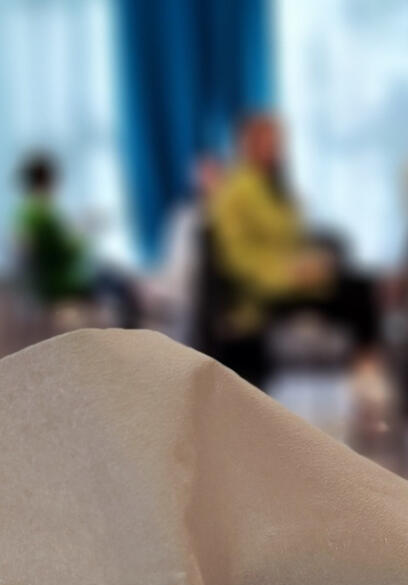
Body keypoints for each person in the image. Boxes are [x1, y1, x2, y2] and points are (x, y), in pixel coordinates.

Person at [208, 114, 378, 389]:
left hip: (291, 281)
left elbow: (290, 240)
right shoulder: (234, 192)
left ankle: (366, 372)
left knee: (361, 285)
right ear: (248, 144)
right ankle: (367, 377)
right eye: (269, 142)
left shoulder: (275, 188)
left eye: (278, 142)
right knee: (357, 292)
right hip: (260, 292)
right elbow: (235, 260)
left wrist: (310, 263)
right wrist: (290, 273)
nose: (277, 149)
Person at [15, 152, 140, 329]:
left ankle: (136, 319)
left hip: (46, 281)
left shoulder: (24, 212)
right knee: (118, 283)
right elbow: (64, 250)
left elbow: (48, 246)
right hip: (63, 281)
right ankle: (131, 333)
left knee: (110, 273)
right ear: (47, 181)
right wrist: (84, 231)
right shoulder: (43, 213)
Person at [143, 155, 223, 343]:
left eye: (212, 174)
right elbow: (173, 265)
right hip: (182, 292)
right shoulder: (184, 216)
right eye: (202, 175)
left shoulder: (220, 218)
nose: (206, 180)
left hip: (200, 300)